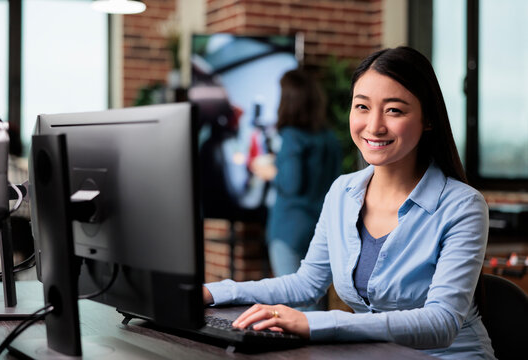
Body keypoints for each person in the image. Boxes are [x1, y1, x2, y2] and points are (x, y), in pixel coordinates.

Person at [203, 46, 496, 359]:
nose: (374, 126)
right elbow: (305, 285)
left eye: (394, 110)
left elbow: (441, 323)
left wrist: (313, 323)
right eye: (362, 107)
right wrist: (214, 292)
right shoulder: (342, 192)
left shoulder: (462, 206)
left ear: (428, 119)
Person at [249, 69, 341, 288]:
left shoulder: (291, 135)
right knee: (316, 308)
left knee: (296, 303)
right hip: (319, 230)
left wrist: (266, 170)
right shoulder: (329, 137)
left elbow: (291, 184)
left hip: (290, 231)